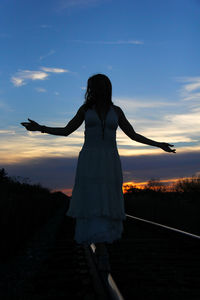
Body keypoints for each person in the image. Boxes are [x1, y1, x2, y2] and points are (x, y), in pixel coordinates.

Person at [21, 74, 176, 271]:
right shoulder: (85, 110)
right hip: (90, 159)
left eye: (101, 86)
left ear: (107, 88)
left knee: (107, 198)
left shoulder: (117, 111)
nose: (97, 89)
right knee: (93, 198)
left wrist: (159, 144)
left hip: (110, 159)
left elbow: (133, 134)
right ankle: (101, 249)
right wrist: (40, 128)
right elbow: (67, 130)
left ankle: (103, 242)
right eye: (94, 86)